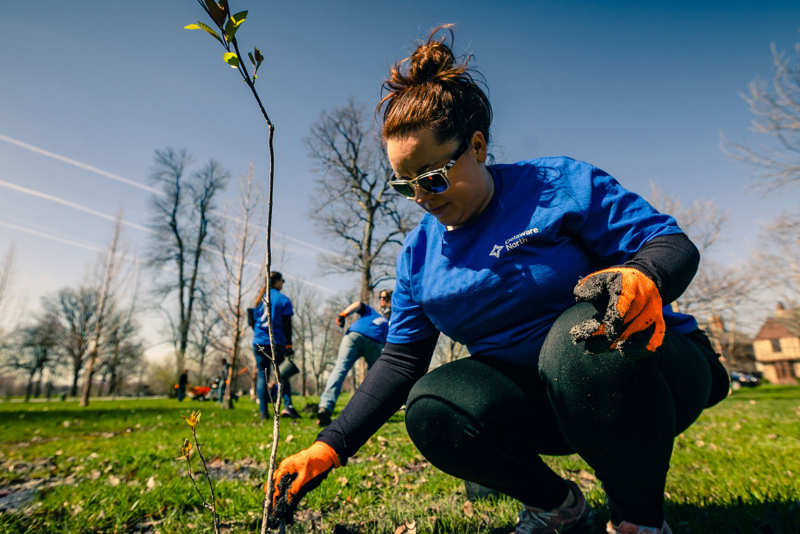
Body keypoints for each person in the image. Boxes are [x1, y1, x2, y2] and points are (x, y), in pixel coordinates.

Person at [265, 27, 729, 534]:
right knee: (432, 406)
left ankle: (639, 522)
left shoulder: (555, 186)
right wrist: (329, 445)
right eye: (405, 185)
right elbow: (400, 360)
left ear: (477, 146)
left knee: (578, 338)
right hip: (549, 406)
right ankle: (558, 508)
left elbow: (672, 243)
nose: (421, 197)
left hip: (646, 374)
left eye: (433, 176)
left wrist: (644, 275)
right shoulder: (419, 256)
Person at [315, 290, 393, 426]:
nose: (382, 300)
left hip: (354, 335)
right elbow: (358, 304)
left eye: (385, 298)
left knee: (339, 369)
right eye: (380, 297)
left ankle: (325, 406)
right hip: (372, 340)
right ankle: (375, 411)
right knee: (379, 376)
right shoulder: (378, 315)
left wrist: (343, 315)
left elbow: (357, 305)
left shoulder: (384, 317)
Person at [253, 272, 301, 420]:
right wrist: (289, 345)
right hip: (276, 342)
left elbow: (252, 320)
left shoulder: (259, 299)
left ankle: (263, 413)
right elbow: (287, 324)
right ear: (278, 281)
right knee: (282, 374)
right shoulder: (283, 299)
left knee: (263, 375)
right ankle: (288, 406)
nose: (282, 284)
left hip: (259, 342)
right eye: (282, 281)